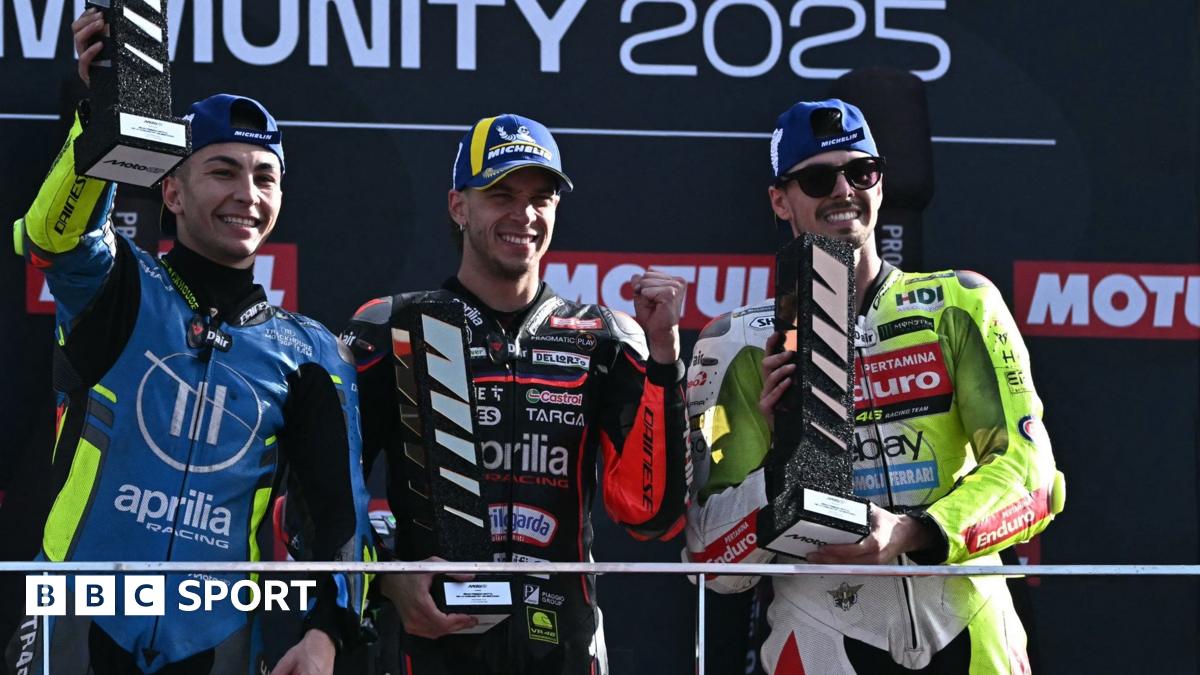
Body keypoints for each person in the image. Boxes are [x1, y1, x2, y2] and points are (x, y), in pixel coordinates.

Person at [4, 9, 373, 674]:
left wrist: (327, 632)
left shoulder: (310, 353)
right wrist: (99, 116)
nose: (247, 194)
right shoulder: (118, 284)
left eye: (265, 177)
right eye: (223, 172)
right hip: (77, 618)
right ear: (171, 191)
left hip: (216, 638)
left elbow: (338, 514)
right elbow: (50, 235)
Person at [684, 99, 1066, 674]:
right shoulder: (734, 344)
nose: (843, 190)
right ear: (780, 201)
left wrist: (912, 532)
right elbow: (712, 562)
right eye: (818, 179)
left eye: (860, 172)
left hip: (970, 626)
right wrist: (778, 459)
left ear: (880, 185)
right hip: (820, 636)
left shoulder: (960, 304)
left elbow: (1033, 478)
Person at [342, 114, 690, 674]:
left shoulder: (605, 338)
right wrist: (386, 579)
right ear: (459, 206)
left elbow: (653, 515)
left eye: (540, 198)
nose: (523, 215)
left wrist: (665, 359)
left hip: (563, 647)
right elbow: (320, 499)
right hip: (426, 646)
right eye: (501, 195)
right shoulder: (393, 328)